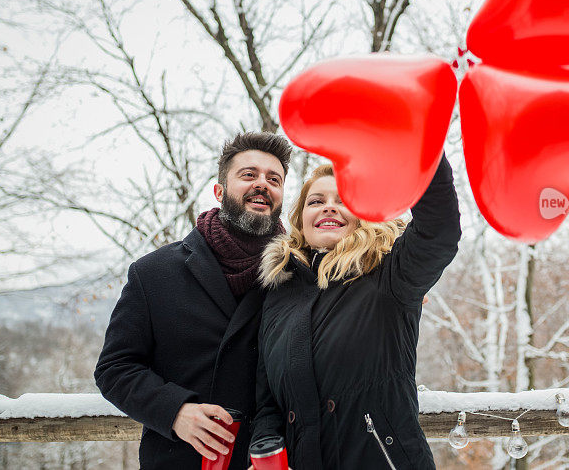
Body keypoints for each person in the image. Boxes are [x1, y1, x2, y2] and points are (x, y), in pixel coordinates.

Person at [94, 132, 292, 469]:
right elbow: (115, 368)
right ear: (219, 192)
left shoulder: (298, 276)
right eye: (249, 174)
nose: (263, 184)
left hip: (273, 460)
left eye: (274, 179)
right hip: (180, 460)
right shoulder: (153, 273)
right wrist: (174, 411)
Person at [251, 154, 461, 469]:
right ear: (301, 220)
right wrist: (266, 449)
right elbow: (268, 405)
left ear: (363, 215)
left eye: (344, 199)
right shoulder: (277, 298)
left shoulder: (390, 278)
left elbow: (439, 231)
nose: (328, 206)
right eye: (316, 201)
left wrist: (421, 146)